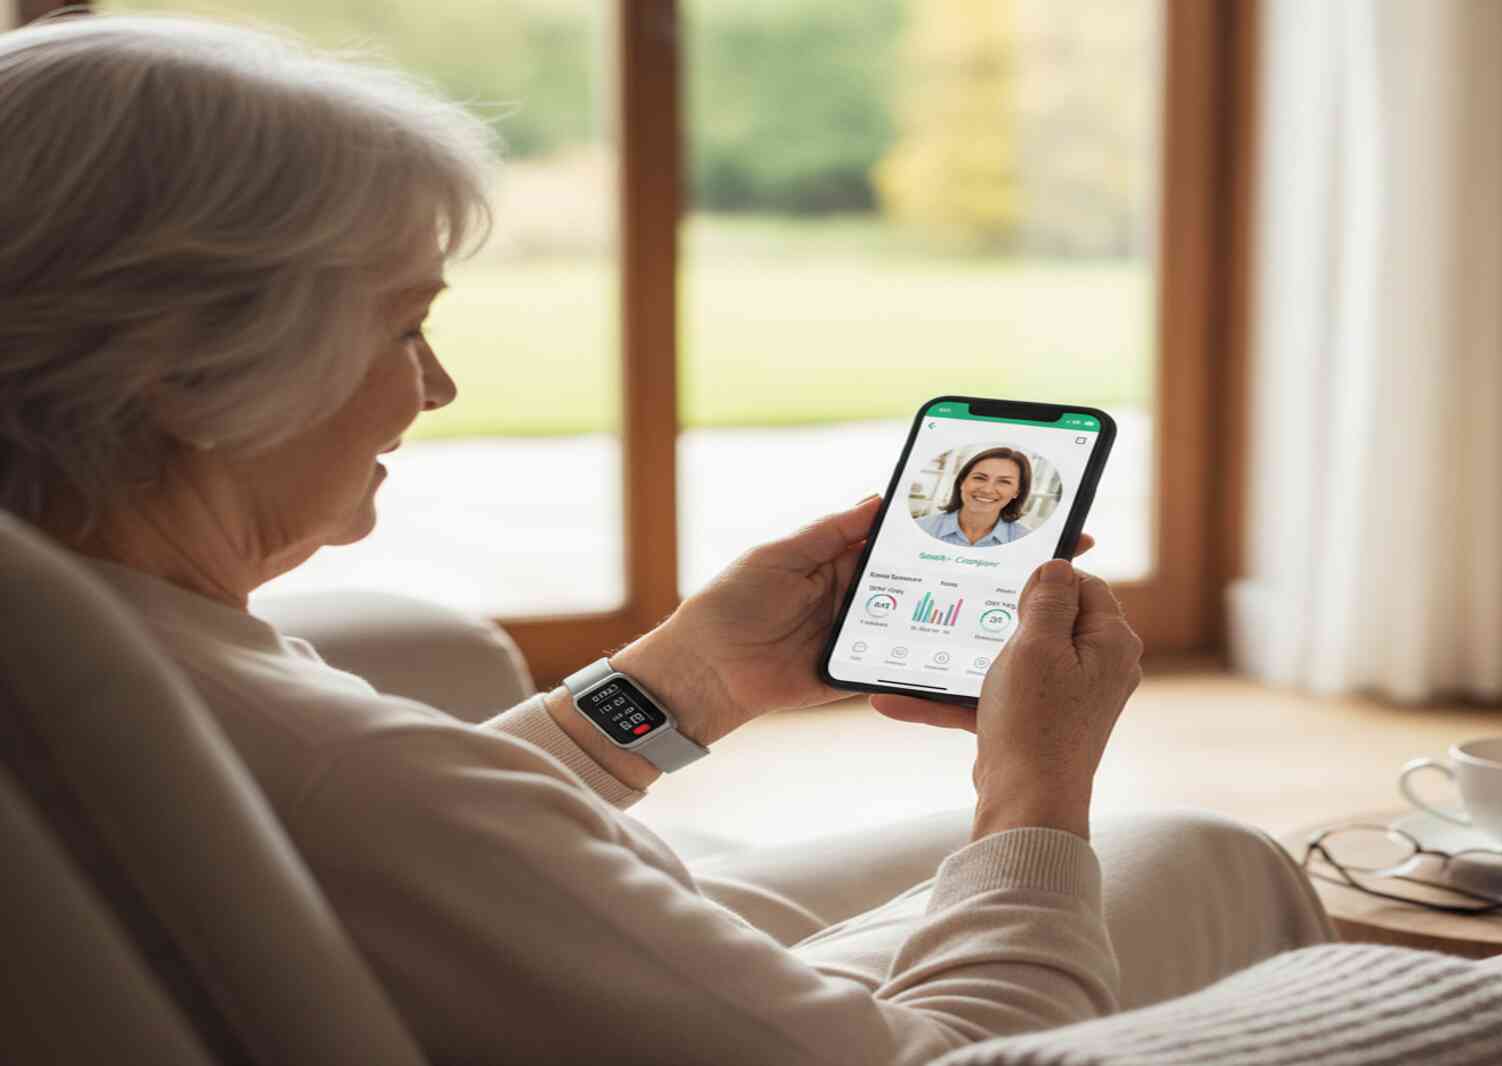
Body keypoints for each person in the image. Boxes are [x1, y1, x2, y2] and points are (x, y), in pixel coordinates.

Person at [0, 14, 1343, 1065]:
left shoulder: (87, 630)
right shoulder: (329, 765)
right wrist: (1034, 784)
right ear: (185, 372)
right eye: (404, 325)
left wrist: (695, 676)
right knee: (1210, 860)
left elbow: (412, 849)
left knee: (1190, 849)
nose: (438, 386)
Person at [918, 447, 1034, 547]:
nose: (987, 490)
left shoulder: (1028, 542)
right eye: (979, 478)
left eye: (1004, 482)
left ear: (1017, 492)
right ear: (962, 482)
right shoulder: (921, 528)